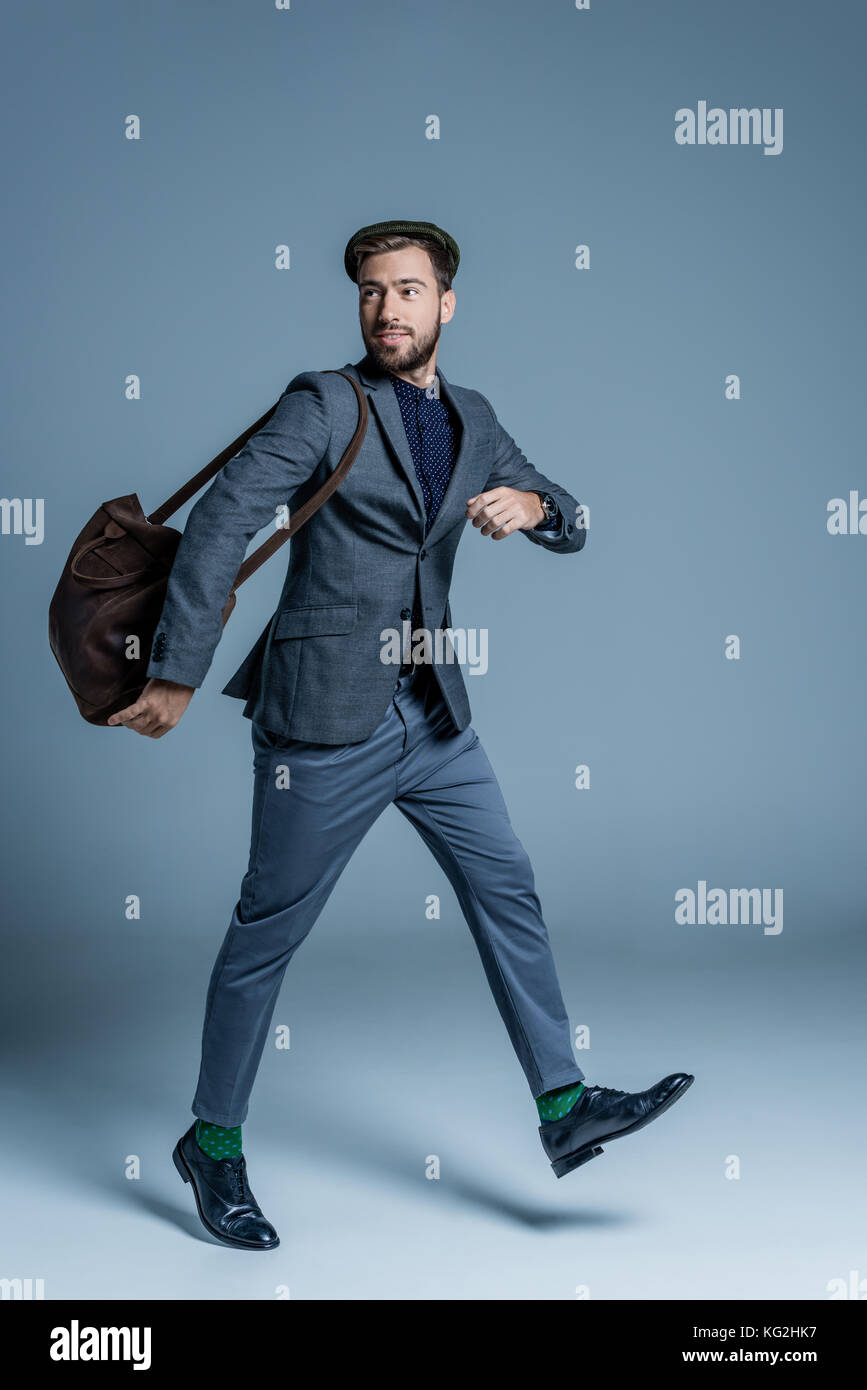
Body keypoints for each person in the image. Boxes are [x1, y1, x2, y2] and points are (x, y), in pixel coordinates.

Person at [108, 219, 693, 1250]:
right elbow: (222, 521)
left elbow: (577, 514)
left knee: (505, 883)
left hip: (433, 715)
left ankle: (565, 1109)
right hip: (325, 722)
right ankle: (213, 1140)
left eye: (408, 291)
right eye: (372, 292)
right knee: (267, 933)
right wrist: (176, 670)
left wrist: (538, 503)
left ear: (447, 304)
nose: (387, 310)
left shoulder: (473, 416)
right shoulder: (323, 404)